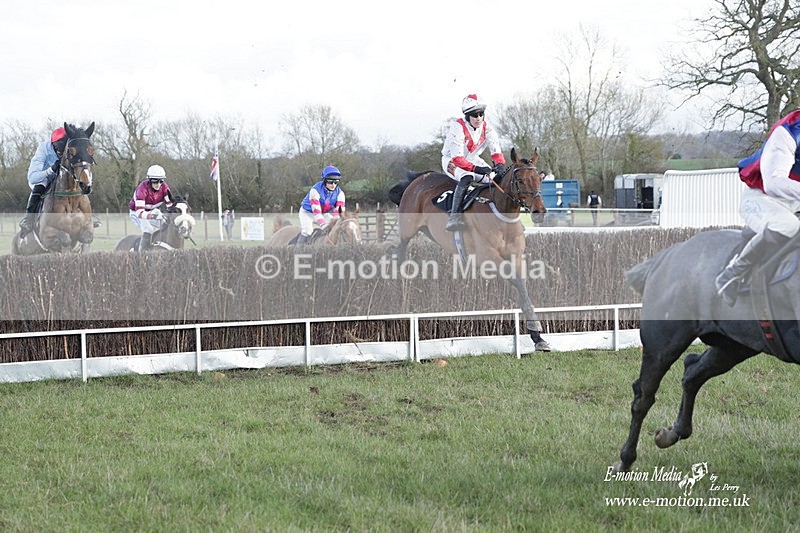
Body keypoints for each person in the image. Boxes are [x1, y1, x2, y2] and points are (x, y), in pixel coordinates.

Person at [715, 110, 800, 306]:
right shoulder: (788, 130)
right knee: (788, 225)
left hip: (794, 205)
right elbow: (774, 182)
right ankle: (732, 274)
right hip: (762, 199)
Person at [441, 93, 506, 231]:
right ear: (467, 116)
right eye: (474, 115)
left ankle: (506, 217)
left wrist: (500, 165)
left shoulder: (487, 128)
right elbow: (458, 159)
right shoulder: (457, 127)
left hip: (473, 159)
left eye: (481, 114)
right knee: (467, 177)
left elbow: (496, 151)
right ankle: (455, 217)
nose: (478, 118)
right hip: (451, 160)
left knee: (497, 179)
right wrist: (476, 169)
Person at [19, 126, 69, 236]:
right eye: (60, 150)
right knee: (41, 185)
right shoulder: (43, 150)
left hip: (58, 179)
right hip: (41, 178)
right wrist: (51, 170)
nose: (61, 153)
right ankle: (29, 220)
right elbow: (33, 177)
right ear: (54, 145)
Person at [129, 164, 176, 251]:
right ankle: (142, 253)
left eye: (161, 181)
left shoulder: (164, 188)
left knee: (167, 225)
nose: (158, 184)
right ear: (149, 180)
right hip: (137, 212)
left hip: (152, 211)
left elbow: (170, 206)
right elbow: (140, 213)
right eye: (155, 181)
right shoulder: (141, 190)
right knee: (148, 229)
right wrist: (153, 216)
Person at [297, 165, 346, 245]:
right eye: (330, 181)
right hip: (307, 212)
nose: (333, 185)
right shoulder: (315, 190)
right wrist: (324, 226)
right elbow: (316, 212)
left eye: (336, 182)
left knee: (335, 228)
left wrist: (335, 223)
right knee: (308, 231)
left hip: (323, 213)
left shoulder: (340, 194)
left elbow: (339, 212)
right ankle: (298, 249)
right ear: (324, 180)